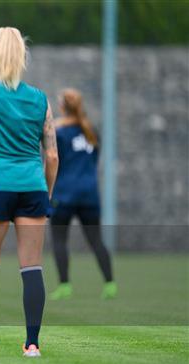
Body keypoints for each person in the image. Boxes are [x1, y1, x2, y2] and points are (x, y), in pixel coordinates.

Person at [0, 27, 58, 358]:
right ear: (22, 60)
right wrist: (46, 191)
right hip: (32, 186)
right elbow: (52, 155)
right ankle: (32, 344)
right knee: (32, 267)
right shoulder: (40, 99)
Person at [49, 88, 117, 300]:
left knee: (59, 240)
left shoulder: (59, 133)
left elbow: (53, 160)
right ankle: (110, 284)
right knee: (96, 239)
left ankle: (65, 286)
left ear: (62, 107)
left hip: (64, 194)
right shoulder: (91, 131)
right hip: (89, 194)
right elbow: (95, 161)